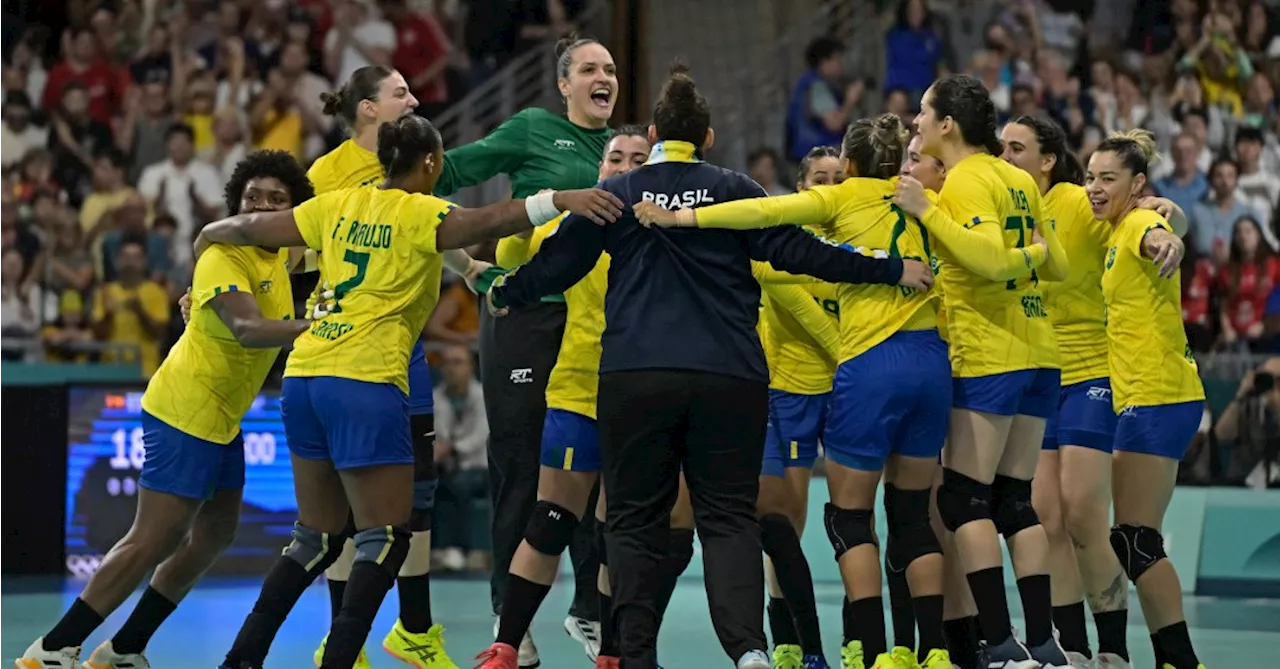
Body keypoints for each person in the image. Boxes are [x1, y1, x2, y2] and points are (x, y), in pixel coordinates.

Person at [491, 63, 932, 669]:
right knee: (728, 521)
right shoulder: (738, 190)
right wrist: (889, 269)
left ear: (654, 132)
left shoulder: (619, 194)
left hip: (636, 377)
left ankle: (634, 655)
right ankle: (749, 651)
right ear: (709, 137)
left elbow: (558, 264)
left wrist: (507, 292)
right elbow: (805, 251)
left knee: (633, 520)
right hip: (731, 377)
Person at [206, 114, 623, 669]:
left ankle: (241, 659)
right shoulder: (424, 210)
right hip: (366, 378)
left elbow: (260, 230)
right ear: (430, 163)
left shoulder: (338, 204)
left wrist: (211, 233)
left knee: (315, 538)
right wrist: (559, 199)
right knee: (385, 540)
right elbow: (489, 217)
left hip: (304, 375)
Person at [639, 113, 956, 669]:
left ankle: (871, 651)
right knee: (910, 515)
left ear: (851, 166)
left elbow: (761, 210)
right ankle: (931, 651)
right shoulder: (926, 198)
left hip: (863, 368)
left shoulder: (840, 202)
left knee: (848, 519)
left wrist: (684, 214)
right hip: (927, 361)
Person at [15, 150, 316, 669]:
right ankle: (52, 648)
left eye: (277, 200)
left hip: (224, 417)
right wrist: (318, 328)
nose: (264, 207)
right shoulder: (225, 255)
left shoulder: (284, 257)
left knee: (216, 532)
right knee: (154, 537)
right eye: (253, 198)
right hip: (186, 407)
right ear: (236, 206)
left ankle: (126, 647)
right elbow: (247, 329)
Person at [432, 36, 621, 664]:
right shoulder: (535, 129)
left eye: (610, 69)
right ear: (563, 84)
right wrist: (474, 271)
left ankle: (588, 610)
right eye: (589, 69)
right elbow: (441, 176)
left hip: (596, 330)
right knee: (518, 467)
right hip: (526, 319)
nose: (604, 77)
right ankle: (509, 621)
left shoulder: (625, 151)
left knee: (594, 469)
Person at [891, 73, 1073, 669]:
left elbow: (991, 261)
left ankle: (999, 643)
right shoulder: (1019, 178)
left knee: (965, 500)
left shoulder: (967, 178)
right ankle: (1043, 643)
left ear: (947, 124)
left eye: (923, 112)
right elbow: (1061, 265)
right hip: (1039, 348)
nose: (916, 122)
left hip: (990, 352)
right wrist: (1032, 254)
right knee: (1016, 501)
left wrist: (927, 210)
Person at [304, 63, 482, 669]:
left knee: (420, 496)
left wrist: (473, 271)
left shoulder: (417, 154)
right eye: (399, 91)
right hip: (351, 351)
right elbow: (300, 249)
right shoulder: (327, 176)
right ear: (366, 109)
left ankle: (415, 629)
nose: (413, 97)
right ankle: (341, 637)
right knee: (349, 508)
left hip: (404, 351)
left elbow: (433, 221)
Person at [1001, 116, 1188, 669]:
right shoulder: (1008, 208)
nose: (1006, 157)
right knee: (1046, 516)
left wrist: (1165, 218)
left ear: (1048, 159)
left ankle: (1113, 647)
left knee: (1084, 513)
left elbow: (1138, 219)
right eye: (1002, 147)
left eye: (1018, 148)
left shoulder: (1077, 202)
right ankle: (1073, 648)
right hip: (1039, 377)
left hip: (1093, 374)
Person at [1085, 130, 1208, 669]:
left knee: (1135, 540)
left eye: (1107, 178)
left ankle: (1181, 660)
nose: (1093, 187)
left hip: (1158, 395)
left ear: (1136, 185)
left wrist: (1168, 237)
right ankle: (1170, 659)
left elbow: (1159, 235)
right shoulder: (1113, 232)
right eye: (1090, 176)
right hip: (1147, 396)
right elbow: (1170, 221)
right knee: (1134, 537)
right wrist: (1175, 221)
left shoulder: (1136, 223)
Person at [757, 146, 844, 669]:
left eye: (838, 178)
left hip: (842, 393)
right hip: (787, 391)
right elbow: (808, 315)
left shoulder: (860, 238)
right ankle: (786, 639)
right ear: (802, 187)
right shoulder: (784, 241)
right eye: (819, 179)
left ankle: (858, 641)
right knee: (785, 521)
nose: (830, 187)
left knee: (851, 515)